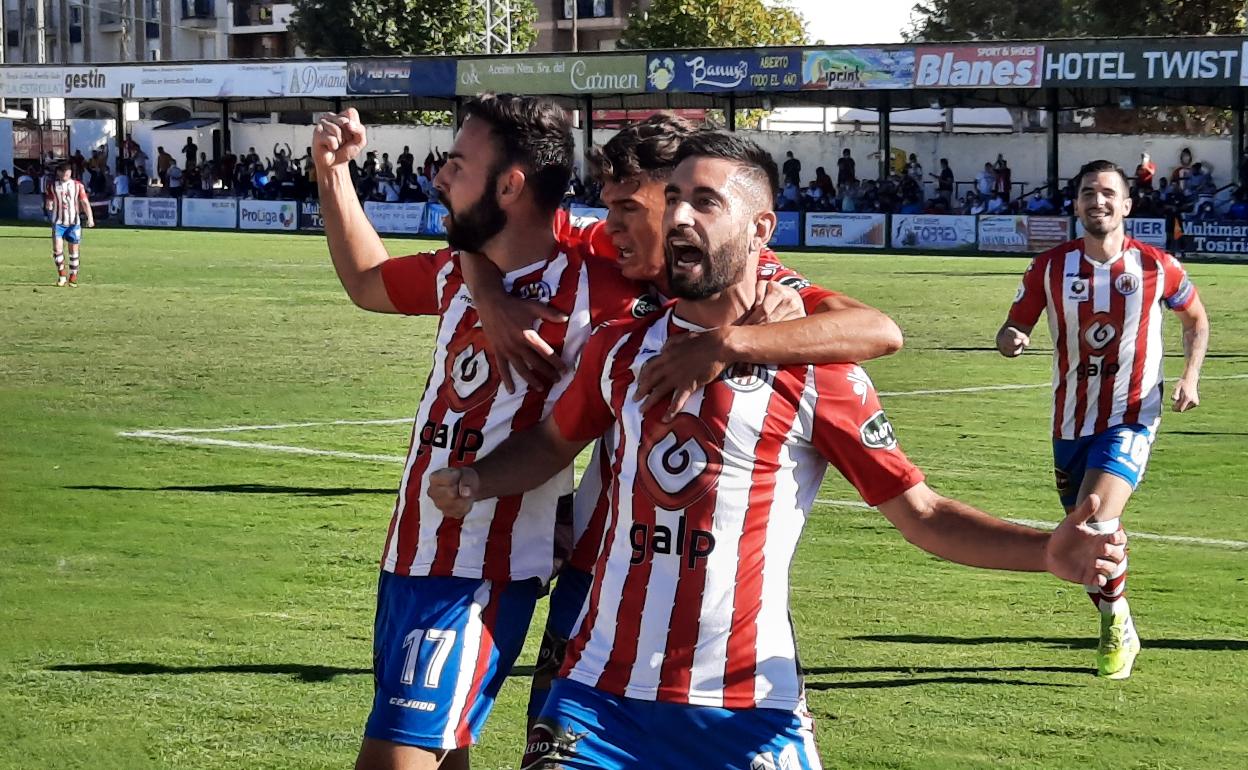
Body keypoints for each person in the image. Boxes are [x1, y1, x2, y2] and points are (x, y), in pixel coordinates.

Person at [429, 133, 1127, 769]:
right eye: (673, 198)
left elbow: (923, 513)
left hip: (745, 708)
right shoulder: (621, 348)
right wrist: (476, 478)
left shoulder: (820, 370)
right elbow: (553, 443)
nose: (677, 219)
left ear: (761, 227)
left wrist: (1045, 552)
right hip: (596, 701)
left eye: (705, 202)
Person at [313, 94, 666, 770]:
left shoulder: (599, 274)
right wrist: (333, 173)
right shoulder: (456, 272)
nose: (440, 176)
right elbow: (365, 281)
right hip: (411, 554)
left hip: (482, 564)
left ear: (511, 185)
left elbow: (673, 258)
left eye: (456, 164)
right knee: (445, 755)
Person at [995, 159, 1210, 679]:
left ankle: (1113, 624)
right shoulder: (1049, 268)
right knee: (1078, 538)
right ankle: (1124, 620)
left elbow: (1196, 320)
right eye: (1089, 192)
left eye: (1109, 193)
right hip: (1070, 420)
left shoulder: (1158, 267)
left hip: (1133, 414)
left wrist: (1190, 377)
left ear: (1127, 205)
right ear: (1077, 204)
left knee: (1096, 519)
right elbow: (1013, 325)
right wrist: (1011, 340)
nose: (1099, 201)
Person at [44, 163, 94, 287]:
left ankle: (73, 276)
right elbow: (49, 199)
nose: (67, 173)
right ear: (59, 173)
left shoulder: (78, 186)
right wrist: (49, 204)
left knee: (74, 252)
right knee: (57, 250)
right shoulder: (52, 186)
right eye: (64, 171)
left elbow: (84, 202)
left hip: (74, 223)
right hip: (58, 223)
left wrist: (90, 218)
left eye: (68, 171)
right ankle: (62, 276)